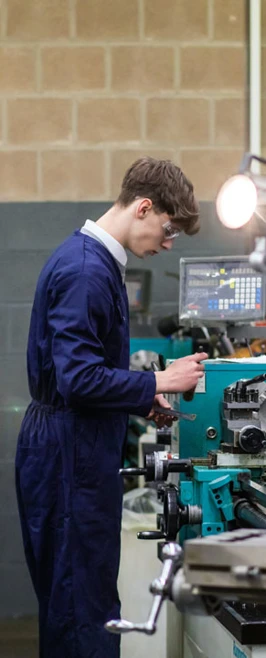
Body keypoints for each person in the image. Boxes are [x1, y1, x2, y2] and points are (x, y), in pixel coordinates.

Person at [15, 157, 207, 658]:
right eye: (168, 230)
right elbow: (78, 380)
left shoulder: (96, 262)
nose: (167, 244)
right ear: (144, 207)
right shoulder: (85, 270)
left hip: (74, 446)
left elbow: (85, 372)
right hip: (68, 454)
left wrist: (143, 396)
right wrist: (159, 379)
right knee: (82, 613)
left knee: (82, 601)